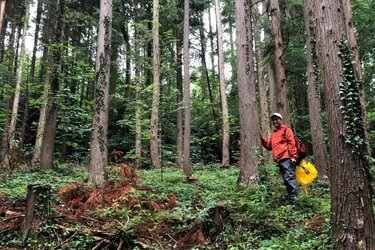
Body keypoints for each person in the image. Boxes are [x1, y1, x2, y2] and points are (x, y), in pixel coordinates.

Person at [260, 112, 299, 197]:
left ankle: (297, 200)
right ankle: (292, 199)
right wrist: (262, 138)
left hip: (287, 158)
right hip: (279, 160)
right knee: (286, 180)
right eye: (273, 120)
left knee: (289, 178)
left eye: (276, 119)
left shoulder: (286, 130)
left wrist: (293, 156)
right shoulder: (273, 134)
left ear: (281, 120)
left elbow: (291, 143)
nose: (275, 121)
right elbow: (269, 146)